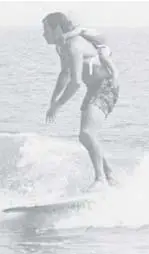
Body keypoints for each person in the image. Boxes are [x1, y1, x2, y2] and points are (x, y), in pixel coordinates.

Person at [42, 12, 119, 190]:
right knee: (86, 137)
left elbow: (76, 82)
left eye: (46, 30)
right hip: (93, 88)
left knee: (87, 133)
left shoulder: (73, 45)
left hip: (106, 86)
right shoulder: (61, 47)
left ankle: (101, 180)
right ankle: (111, 177)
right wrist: (53, 101)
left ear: (57, 29)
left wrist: (59, 105)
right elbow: (65, 74)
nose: (43, 34)